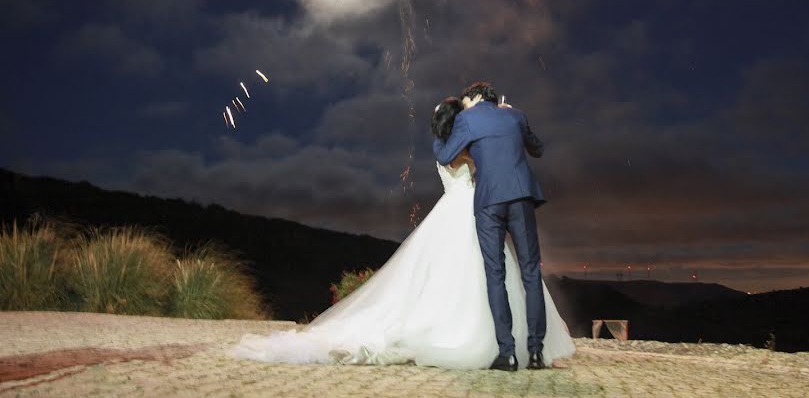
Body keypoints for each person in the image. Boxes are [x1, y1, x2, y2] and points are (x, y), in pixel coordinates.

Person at [230, 96, 574, 370]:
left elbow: (450, 153)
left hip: (475, 208)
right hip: (493, 204)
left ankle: (505, 351)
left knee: (485, 275)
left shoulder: (456, 141)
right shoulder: (487, 133)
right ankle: (530, 349)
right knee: (513, 273)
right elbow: (526, 148)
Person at [433, 81, 550, 371]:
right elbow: (538, 148)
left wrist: (436, 131)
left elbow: (446, 155)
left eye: (466, 99)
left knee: (495, 274)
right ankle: (535, 353)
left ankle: (507, 353)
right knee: (531, 273)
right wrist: (513, 117)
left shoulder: (466, 119)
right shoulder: (515, 115)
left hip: (489, 203)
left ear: (475, 97)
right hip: (521, 197)